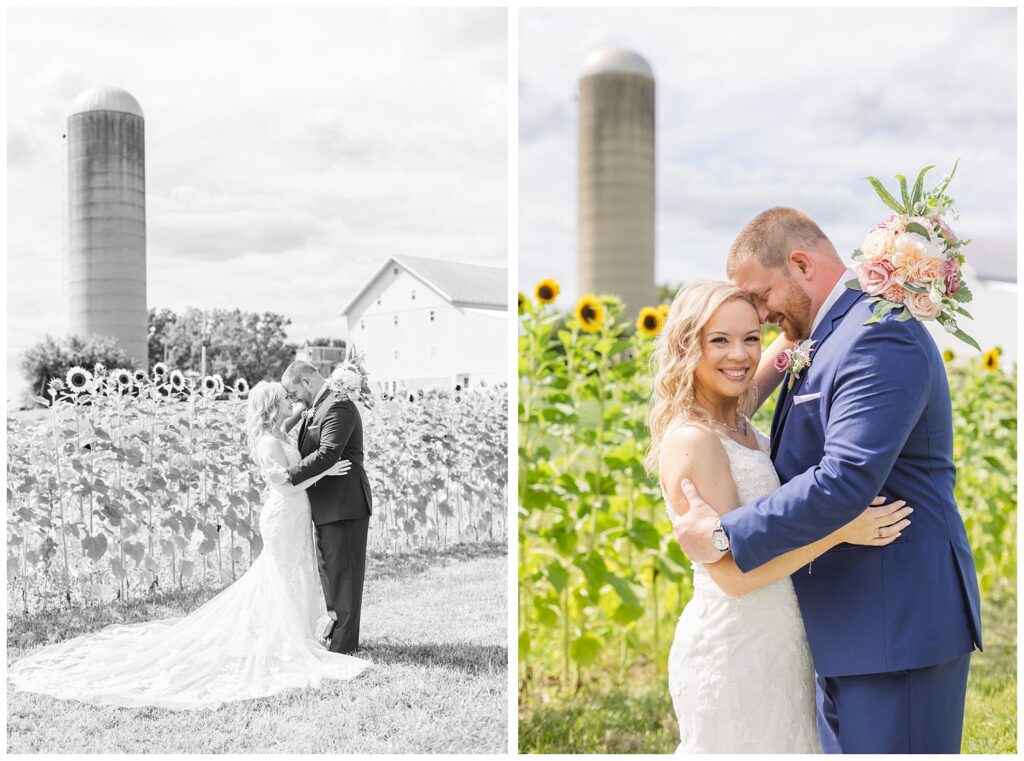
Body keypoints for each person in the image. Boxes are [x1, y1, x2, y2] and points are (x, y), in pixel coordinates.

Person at [673, 208, 982, 754]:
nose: (762, 317)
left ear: (800, 264)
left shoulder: (878, 333)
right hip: (835, 630)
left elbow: (844, 477)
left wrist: (726, 534)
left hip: (894, 627)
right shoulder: (822, 337)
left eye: (762, 296)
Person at [651, 280, 911, 752]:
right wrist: (839, 530)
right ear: (689, 346)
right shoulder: (695, 439)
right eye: (720, 340)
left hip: (780, 637)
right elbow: (733, 576)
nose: (741, 355)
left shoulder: (736, 417)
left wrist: (879, 270)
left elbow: (792, 339)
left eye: (751, 338)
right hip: (734, 644)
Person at [7, 381, 370, 709]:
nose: (290, 403)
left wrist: (300, 413)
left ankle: (297, 632)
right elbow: (287, 485)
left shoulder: (277, 432)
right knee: (283, 574)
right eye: (284, 400)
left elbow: (290, 431)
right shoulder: (269, 442)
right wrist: (325, 470)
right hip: (284, 512)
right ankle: (286, 638)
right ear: (272, 407)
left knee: (296, 573)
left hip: (293, 516)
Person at [281, 360, 373, 654]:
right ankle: (335, 632)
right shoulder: (315, 407)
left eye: (294, 391)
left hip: (344, 504)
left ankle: (344, 646)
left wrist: (287, 476)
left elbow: (329, 453)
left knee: (344, 575)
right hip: (326, 505)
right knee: (332, 573)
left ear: (307, 382)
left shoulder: (338, 406)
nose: (293, 398)